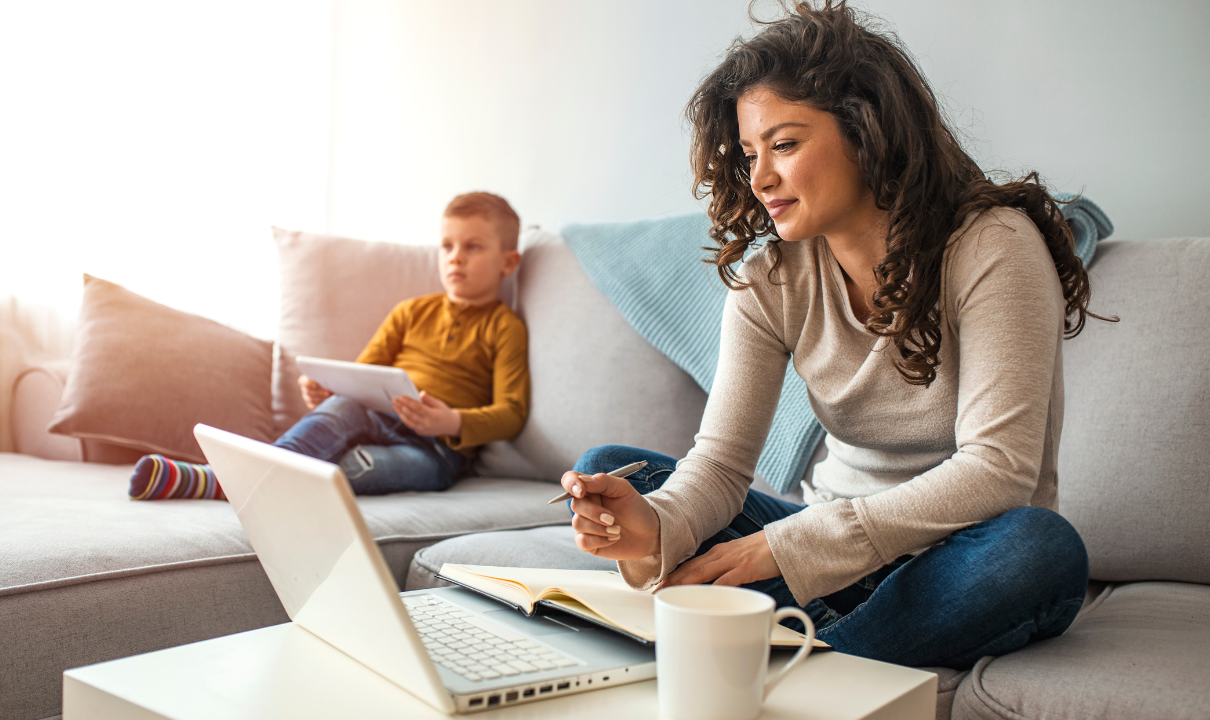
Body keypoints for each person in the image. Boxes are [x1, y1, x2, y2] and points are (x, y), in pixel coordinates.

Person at [559, 1, 1106, 669]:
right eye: (750, 153)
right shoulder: (771, 279)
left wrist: (786, 550)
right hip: (820, 557)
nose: (759, 178)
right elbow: (722, 464)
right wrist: (657, 526)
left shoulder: (992, 247)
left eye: (784, 144)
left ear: (868, 132)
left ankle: (806, 660)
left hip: (950, 560)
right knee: (613, 470)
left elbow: (999, 471)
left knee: (1040, 550)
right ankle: (823, 644)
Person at [130, 191, 530, 499]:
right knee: (339, 408)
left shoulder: (505, 327)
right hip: (372, 419)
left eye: (472, 247)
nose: (455, 258)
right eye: (447, 246)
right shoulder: (411, 312)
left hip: (435, 453)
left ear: (508, 263)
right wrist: (328, 390)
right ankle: (227, 479)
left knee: (357, 468)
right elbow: (362, 375)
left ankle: (238, 485)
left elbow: (512, 412)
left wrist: (452, 422)